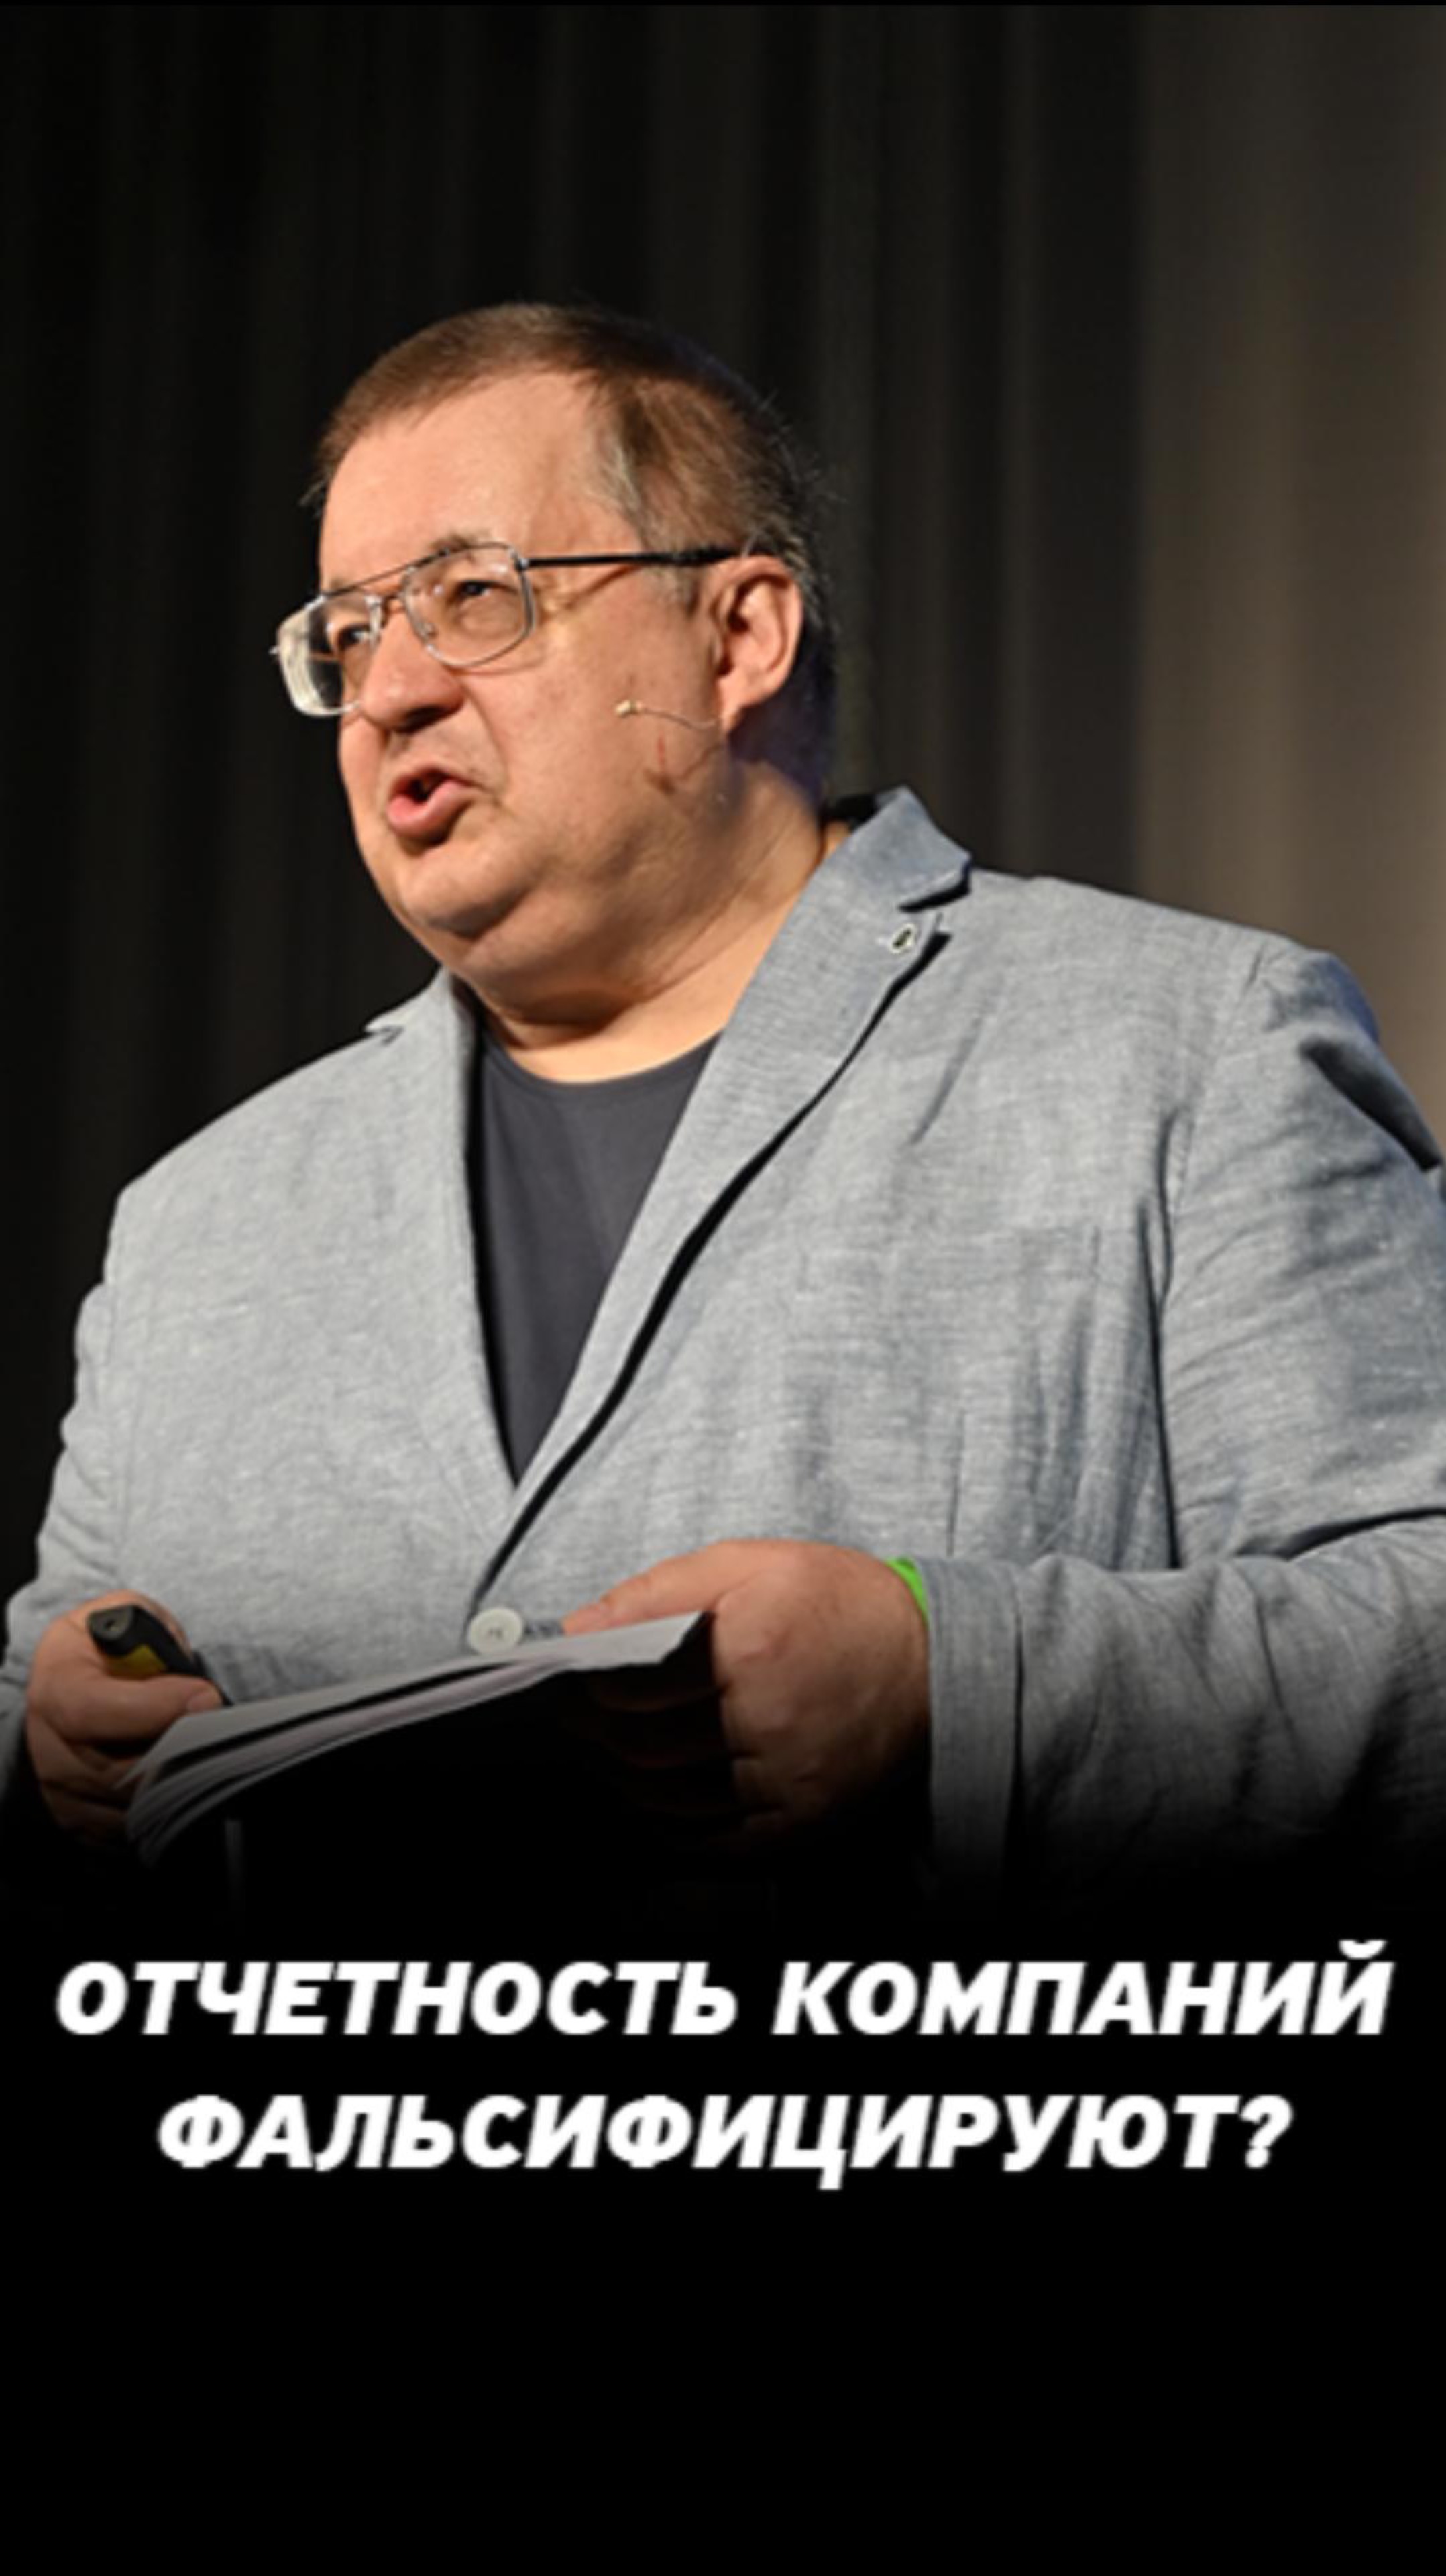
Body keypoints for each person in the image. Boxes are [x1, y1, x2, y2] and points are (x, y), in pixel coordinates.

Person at [5, 301, 1446, 1936]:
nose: (388, 690)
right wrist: (51, 1759)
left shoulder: (1188, 1052)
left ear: (739, 635)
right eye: (346, 634)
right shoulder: (197, 1223)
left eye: (473, 598)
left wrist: (949, 1680)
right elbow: (55, 1676)